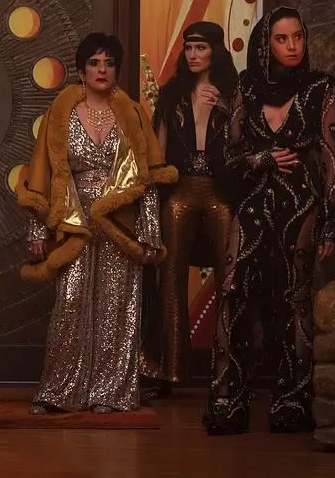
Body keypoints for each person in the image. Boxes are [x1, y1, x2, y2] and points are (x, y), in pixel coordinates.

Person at [17, 32, 177, 414]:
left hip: (120, 222)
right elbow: (41, 172)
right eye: (94, 62)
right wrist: (38, 229)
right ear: (81, 70)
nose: (102, 69)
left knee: (117, 308)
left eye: (109, 63)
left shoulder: (133, 113)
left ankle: (110, 392)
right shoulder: (60, 112)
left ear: (117, 70)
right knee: (70, 303)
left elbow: (146, 178)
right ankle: (60, 391)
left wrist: (149, 232)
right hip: (74, 220)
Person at [203, 7, 335, 435]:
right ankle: (228, 399)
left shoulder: (321, 87)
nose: (292, 46)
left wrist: (331, 223)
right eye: (282, 39)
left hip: (301, 204)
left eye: (298, 37)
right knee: (234, 292)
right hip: (251, 203)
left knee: (294, 299)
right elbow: (225, 157)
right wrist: (261, 158)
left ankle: (292, 399)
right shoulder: (245, 87)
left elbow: (332, 158)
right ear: (266, 45)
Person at [142, 22, 238, 398]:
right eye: (189, 48)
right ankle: (171, 371)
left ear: (216, 50)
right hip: (179, 191)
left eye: (201, 47)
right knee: (170, 280)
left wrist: (227, 110)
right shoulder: (172, 93)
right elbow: (158, 152)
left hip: (220, 192)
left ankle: (229, 372)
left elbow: (245, 144)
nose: (194, 54)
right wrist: (153, 200)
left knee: (230, 279)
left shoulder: (233, 92)